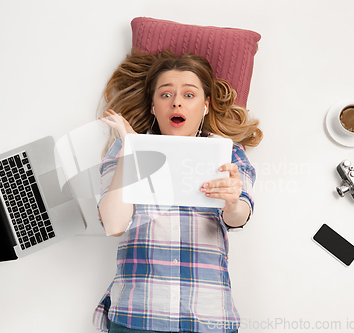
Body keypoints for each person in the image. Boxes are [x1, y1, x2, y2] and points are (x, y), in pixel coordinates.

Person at [92, 49, 263, 333]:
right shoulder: (123, 149)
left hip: (208, 318)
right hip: (137, 316)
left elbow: (239, 217)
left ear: (205, 106)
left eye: (189, 94)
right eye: (166, 94)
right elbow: (113, 225)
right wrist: (131, 150)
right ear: (152, 106)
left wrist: (232, 202)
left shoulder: (228, 153)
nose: (176, 103)